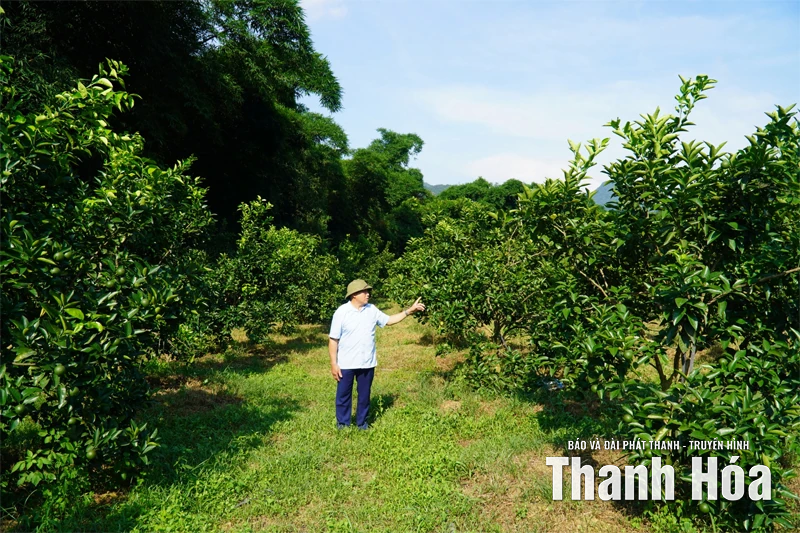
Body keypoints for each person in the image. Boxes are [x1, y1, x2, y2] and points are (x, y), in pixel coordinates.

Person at [328, 279, 425, 430]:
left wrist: (409, 311)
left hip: (367, 362)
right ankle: (343, 425)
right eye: (364, 291)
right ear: (354, 295)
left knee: (364, 396)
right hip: (346, 363)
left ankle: (362, 423)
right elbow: (333, 340)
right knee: (343, 396)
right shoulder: (341, 312)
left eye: (368, 291)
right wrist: (334, 364)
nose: (368, 294)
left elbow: (389, 321)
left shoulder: (371, 310)